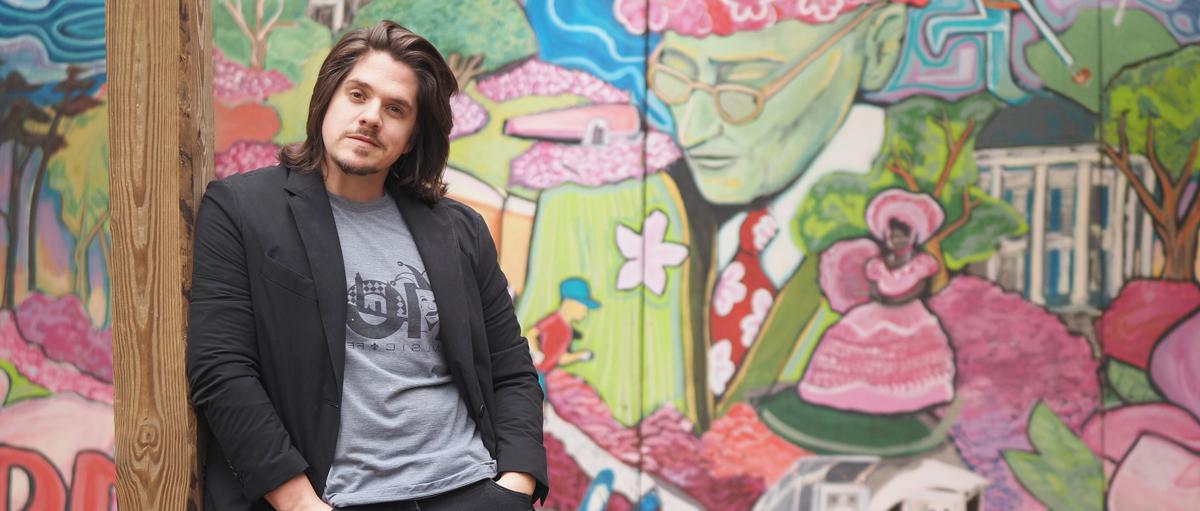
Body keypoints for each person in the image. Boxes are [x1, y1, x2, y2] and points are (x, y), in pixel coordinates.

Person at [186, 21, 547, 511]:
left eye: (395, 109)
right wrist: (297, 503)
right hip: (332, 498)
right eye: (358, 94)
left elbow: (511, 369)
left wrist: (515, 487)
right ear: (327, 100)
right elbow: (221, 368)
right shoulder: (243, 210)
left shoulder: (459, 229)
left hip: (469, 486)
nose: (371, 117)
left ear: (412, 136)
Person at [519, 0, 913, 429]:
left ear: (879, 46)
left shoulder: (927, 216)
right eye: (676, 77)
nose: (692, 130)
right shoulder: (615, 213)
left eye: (744, 88)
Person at [798, 189, 955, 414]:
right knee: (852, 336)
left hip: (909, 312)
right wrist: (885, 293)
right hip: (879, 310)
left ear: (913, 238)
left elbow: (918, 289)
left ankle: (907, 398)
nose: (897, 241)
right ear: (886, 237)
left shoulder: (921, 264)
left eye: (903, 236)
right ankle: (852, 393)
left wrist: (899, 292)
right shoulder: (877, 265)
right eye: (893, 236)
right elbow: (875, 290)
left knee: (909, 353)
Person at [526, 277, 600, 373]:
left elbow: (560, 358)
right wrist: (536, 352)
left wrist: (579, 355)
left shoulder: (567, 331)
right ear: (568, 303)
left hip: (543, 373)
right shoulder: (554, 320)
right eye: (583, 306)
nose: (585, 312)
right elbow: (530, 334)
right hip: (533, 371)